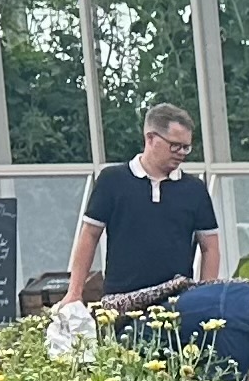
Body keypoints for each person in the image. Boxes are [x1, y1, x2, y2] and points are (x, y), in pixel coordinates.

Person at [63, 101, 220, 307]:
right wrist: (74, 293)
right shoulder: (112, 180)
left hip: (177, 300)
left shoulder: (195, 189)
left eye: (186, 147)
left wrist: (205, 297)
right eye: (175, 145)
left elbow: (210, 247)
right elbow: (90, 235)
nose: (181, 153)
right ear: (151, 138)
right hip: (120, 300)